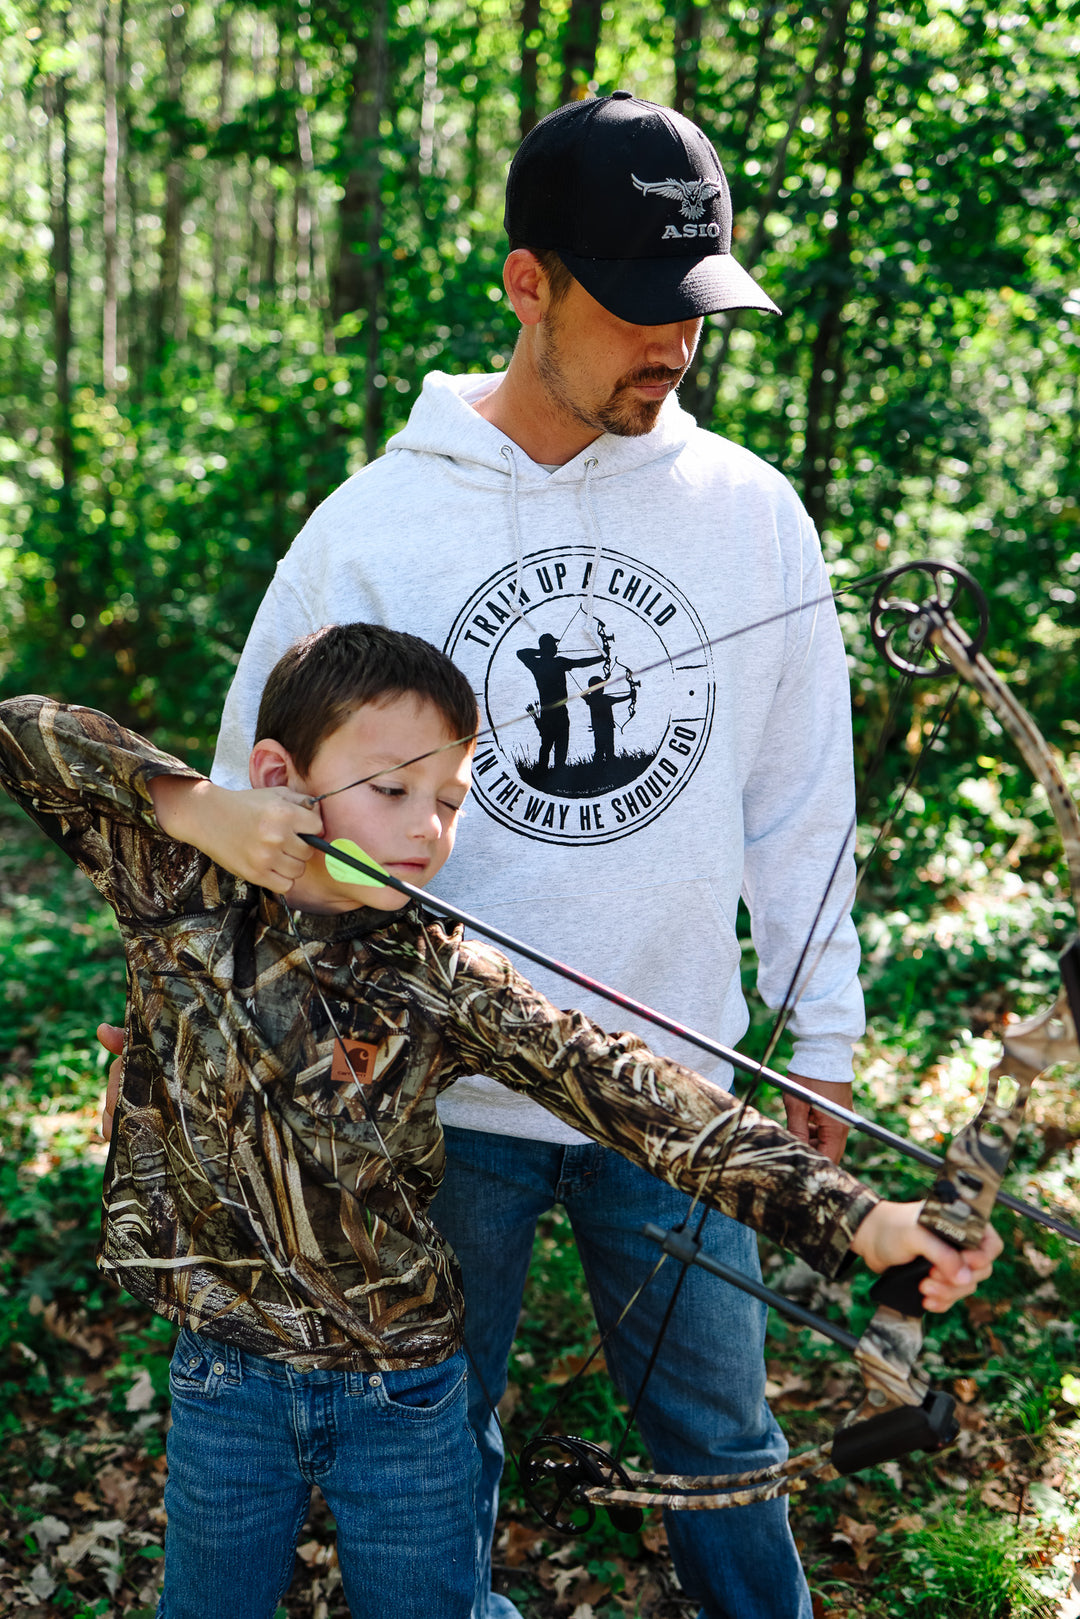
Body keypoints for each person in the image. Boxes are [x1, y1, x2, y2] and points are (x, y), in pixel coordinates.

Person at [172, 92, 861, 1617]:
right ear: (527, 283)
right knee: (437, 1450)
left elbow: (800, 799)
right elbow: (245, 806)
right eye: (633, 303)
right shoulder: (372, 528)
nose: (672, 341)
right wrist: (231, 1020)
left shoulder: (753, 513)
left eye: (696, 303)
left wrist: (825, 1037)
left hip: (673, 1088)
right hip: (431, 1102)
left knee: (720, 1445)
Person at [0, 625, 998, 1619]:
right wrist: (199, 805)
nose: (426, 829)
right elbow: (22, 729)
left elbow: (629, 1088)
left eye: (448, 801)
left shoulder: (435, 969)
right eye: (390, 789)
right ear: (280, 773)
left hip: (405, 1395)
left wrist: (862, 1220)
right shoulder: (177, 882)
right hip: (224, 1373)